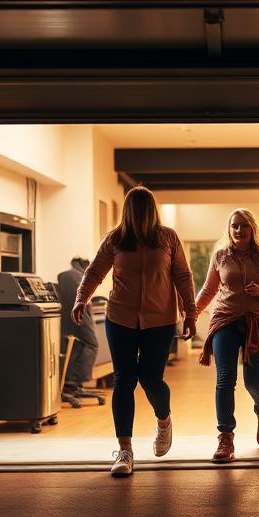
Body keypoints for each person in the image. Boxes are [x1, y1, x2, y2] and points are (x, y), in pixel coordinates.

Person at [72, 186, 196, 477]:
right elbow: (94, 271)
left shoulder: (167, 238)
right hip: (121, 318)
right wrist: (81, 297)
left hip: (160, 320)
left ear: (151, 210)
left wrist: (190, 312)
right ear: (127, 210)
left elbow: (182, 275)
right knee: (124, 380)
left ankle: (163, 420)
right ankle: (125, 451)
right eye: (134, 208)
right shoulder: (115, 239)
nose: (139, 213)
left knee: (151, 378)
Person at [195, 209, 259, 463]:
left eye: (244, 226)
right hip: (225, 320)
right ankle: (225, 437)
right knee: (225, 380)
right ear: (229, 229)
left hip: (257, 321)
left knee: (253, 383)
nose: (238, 230)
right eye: (234, 226)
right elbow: (209, 289)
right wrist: (193, 312)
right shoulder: (220, 256)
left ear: (252, 228)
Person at [57, 256, 100, 407]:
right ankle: (75, 381)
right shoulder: (78, 276)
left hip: (67, 321)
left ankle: (70, 383)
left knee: (76, 346)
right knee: (92, 345)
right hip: (79, 317)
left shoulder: (67, 276)